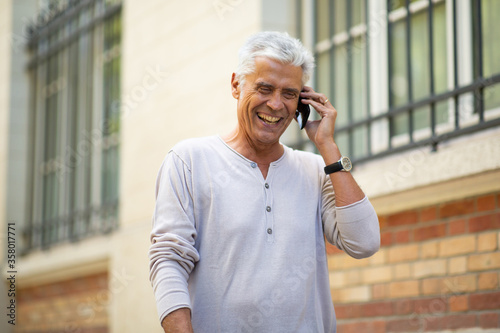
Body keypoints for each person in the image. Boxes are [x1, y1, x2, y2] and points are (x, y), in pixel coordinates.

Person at [149, 31, 380, 333]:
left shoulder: (313, 169)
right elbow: (169, 261)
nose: (275, 104)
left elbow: (364, 242)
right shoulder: (189, 160)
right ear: (236, 85)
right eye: (264, 88)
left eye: (289, 94)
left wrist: (328, 146)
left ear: (302, 102)